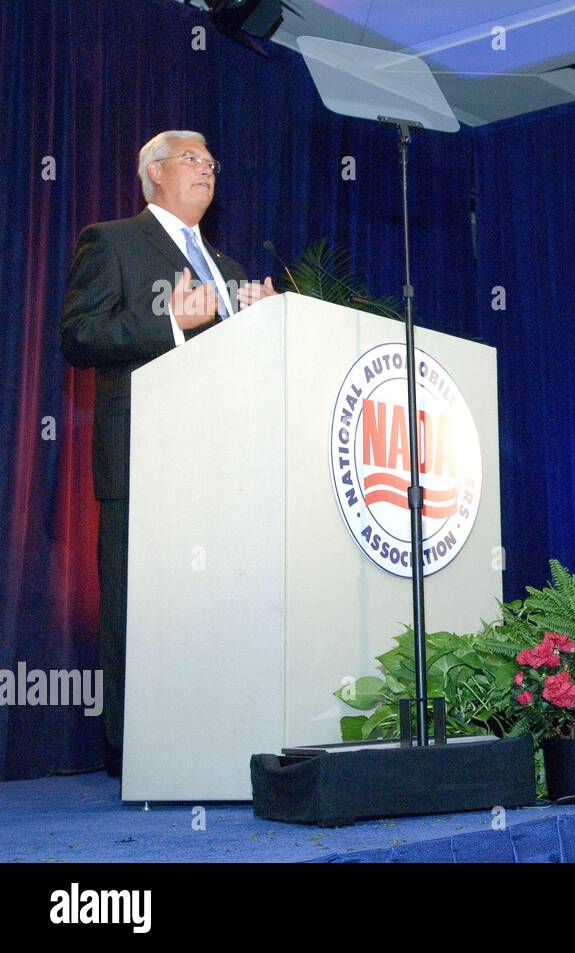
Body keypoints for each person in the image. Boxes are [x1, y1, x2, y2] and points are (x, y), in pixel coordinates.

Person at [60, 130, 278, 776]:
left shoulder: (231, 270)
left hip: (223, 470)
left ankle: (214, 738)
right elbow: (78, 334)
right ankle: (138, 754)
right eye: (193, 159)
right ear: (154, 172)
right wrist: (169, 323)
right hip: (143, 464)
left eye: (213, 162)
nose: (208, 170)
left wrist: (264, 329)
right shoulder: (112, 241)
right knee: (139, 610)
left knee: (214, 607)